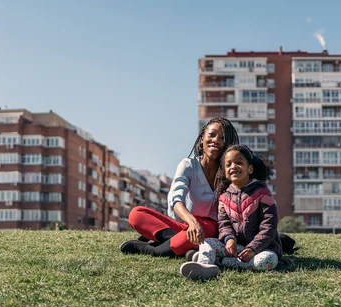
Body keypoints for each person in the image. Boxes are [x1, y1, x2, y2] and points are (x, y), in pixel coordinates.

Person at [119, 117, 240, 257]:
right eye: (212, 135)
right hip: (185, 224)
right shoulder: (188, 165)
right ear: (202, 138)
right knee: (136, 214)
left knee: (201, 231)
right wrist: (192, 222)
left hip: (210, 228)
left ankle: (152, 249)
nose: (216, 140)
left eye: (222, 138)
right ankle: (180, 243)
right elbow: (176, 199)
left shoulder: (229, 173)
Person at [180, 144, 282, 280]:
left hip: (261, 249)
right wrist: (229, 240)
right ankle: (204, 266)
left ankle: (219, 262)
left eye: (239, 163)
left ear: (250, 169)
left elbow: (268, 226)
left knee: (269, 260)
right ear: (225, 172)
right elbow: (224, 224)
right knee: (207, 242)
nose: (233, 167)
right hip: (236, 249)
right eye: (228, 165)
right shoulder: (223, 198)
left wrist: (253, 248)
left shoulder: (263, 193)